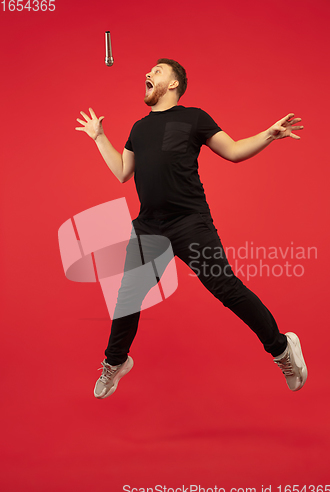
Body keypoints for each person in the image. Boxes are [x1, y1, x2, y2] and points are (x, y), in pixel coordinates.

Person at [75, 58, 307, 399]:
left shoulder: (193, 117)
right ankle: (116, 362)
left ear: (173, 84)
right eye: (149, 71)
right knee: (127, 300)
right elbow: (123, 171)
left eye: (156, 71)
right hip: (150, 227)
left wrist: (268, 135)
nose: (147, 74)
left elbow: (233, 151)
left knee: (225, 288)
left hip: (189, 222)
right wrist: (99, 137)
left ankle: (282, 347)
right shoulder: (139, 128)